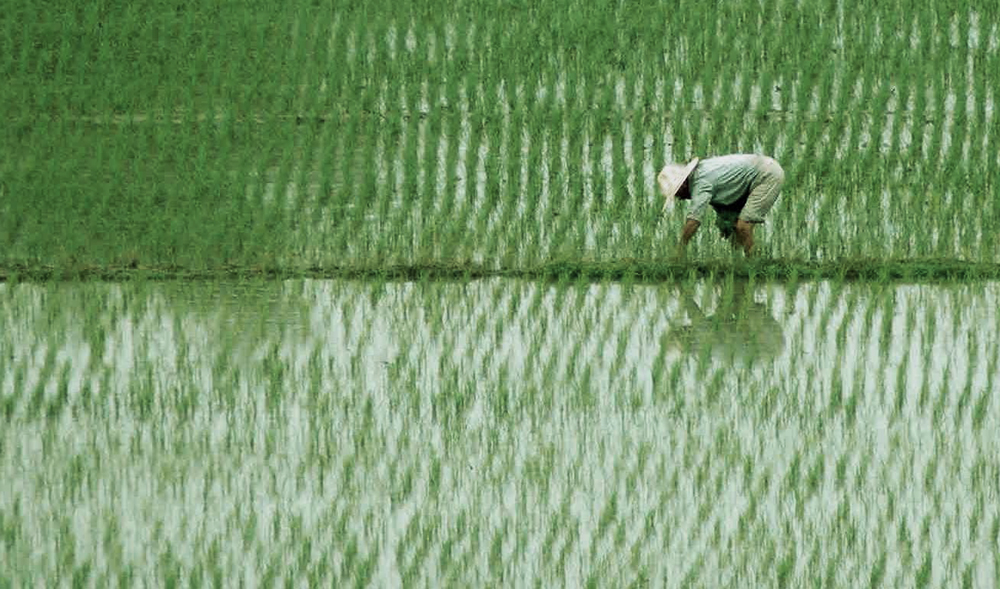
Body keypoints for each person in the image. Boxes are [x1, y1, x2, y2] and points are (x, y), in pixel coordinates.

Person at [657, 154, 785, 257]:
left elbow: (694, 220)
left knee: (743, 226)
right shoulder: (701, 171)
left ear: (683, 185)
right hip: (752, 174)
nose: (680, 198)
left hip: (766, 175)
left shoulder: (701, 182)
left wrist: (680, 248)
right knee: (729, 226)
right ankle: (737, 262)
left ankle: (753, 264)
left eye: (678, 193)